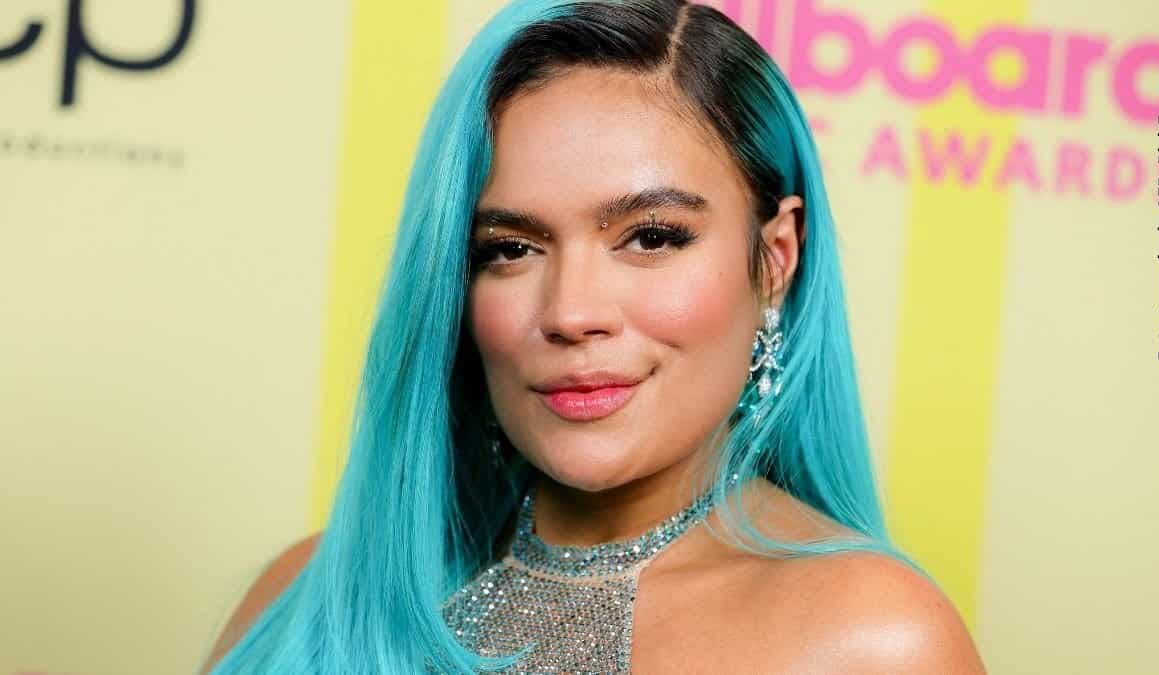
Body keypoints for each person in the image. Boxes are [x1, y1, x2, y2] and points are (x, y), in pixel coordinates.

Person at [202, 0, 985, 672]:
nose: (572, 312)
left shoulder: (871, 639)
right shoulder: (305, 597)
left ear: (775, 258)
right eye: (510, 248)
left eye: (652, 236)